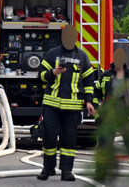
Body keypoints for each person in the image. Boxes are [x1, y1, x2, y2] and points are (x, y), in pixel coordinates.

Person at [37, 26, 96, 182]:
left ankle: (67, 171)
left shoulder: (82, 57)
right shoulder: (52, 54)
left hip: (73, 108)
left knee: (69, 140)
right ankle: (48, 168)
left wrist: (89, 101)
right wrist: (53, 73)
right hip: (52, 106)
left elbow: (89, 80)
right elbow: (41, 76)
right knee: (49, 137)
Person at [93, 48, 129, 179]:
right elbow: (96, 94)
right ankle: (100, 173)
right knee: (104, 147)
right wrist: (95, 110)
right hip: (108, 118)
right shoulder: (105, 76)